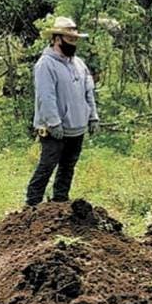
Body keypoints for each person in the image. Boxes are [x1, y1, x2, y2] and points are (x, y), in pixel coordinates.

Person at [26, 16, 99, 206]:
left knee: (68, 167)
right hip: (54, 129)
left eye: (75, 39)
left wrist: (93, 117)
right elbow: (46, 96)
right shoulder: (45, 64)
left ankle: (60, 201)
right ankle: (32, 205)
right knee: (47, 166)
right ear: (57, 39)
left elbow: (88, 91)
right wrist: (54, 122)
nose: (73, 43)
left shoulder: (79, 64)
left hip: (77, 127)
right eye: (70, 39)